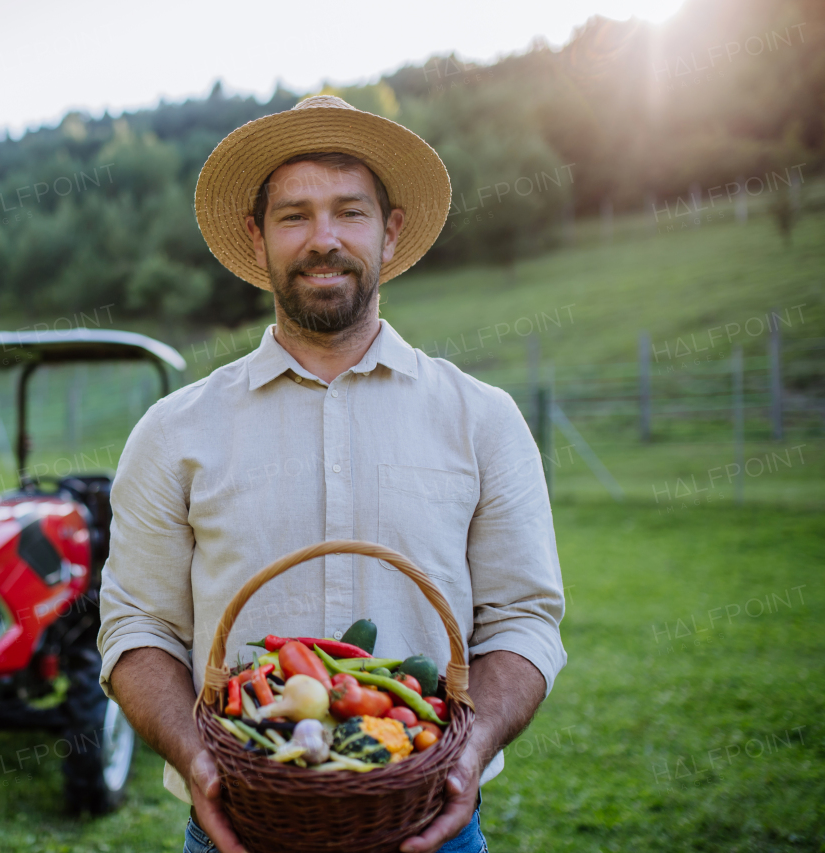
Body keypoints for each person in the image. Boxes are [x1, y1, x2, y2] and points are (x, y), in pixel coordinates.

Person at [97, 95, 566, 853]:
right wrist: (195, 752)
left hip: (429, 823)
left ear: (391, 229)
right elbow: (136, 626)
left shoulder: (482, 419)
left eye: (349, 211)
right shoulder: (173, 431)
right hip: (239, 827)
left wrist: (469, 749)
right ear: (257, 238)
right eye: (293, 216)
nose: (324, 240)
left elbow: (523, 620)